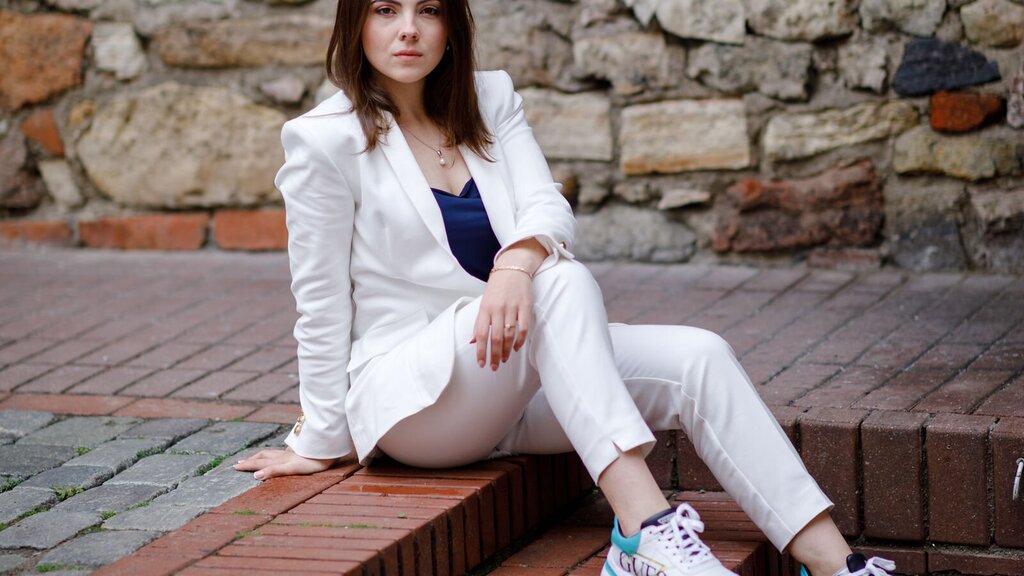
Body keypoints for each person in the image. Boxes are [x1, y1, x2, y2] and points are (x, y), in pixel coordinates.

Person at [233, 1, 897, 575]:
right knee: (560, 281)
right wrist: (321, 437)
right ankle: (643, 530)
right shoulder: (324, 140)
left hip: (516, 377)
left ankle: (835, 563)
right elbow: (319, 300)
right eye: (385, 9)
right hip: (420, 403)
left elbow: (545, 206)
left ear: (451, 25)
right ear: (355, 23)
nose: (408, 28)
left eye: (428, 9)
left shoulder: (489, 99)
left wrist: (513, 266)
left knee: (699, 355)